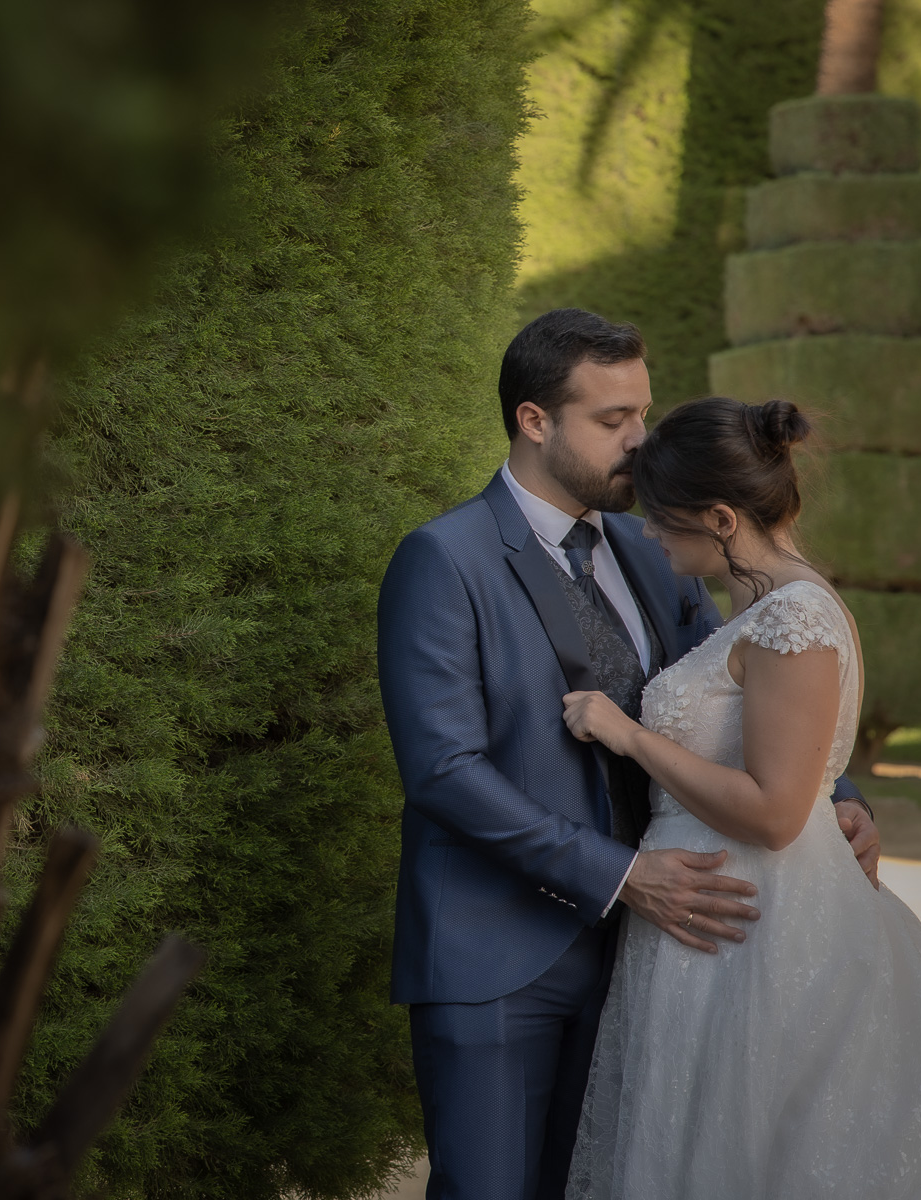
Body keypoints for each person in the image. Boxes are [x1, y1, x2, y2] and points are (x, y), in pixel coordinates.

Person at [376, 308, 880, 1200]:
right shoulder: (440, 559)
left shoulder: (655, 552)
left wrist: (834, 790)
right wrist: (620, 875)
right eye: (612, 422)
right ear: (534, 421)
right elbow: (443, 771)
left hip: (653, 959)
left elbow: (747, 685)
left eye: (641, 414)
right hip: (496, 956)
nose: (639, 443)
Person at [560, 396, 921, 1198]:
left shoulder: (791, 614)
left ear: (721, 518)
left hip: (762, 930)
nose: (647, 535)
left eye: (661, 518)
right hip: (721, 920)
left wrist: (629, 736)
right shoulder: (763, 605)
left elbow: (774, 810)